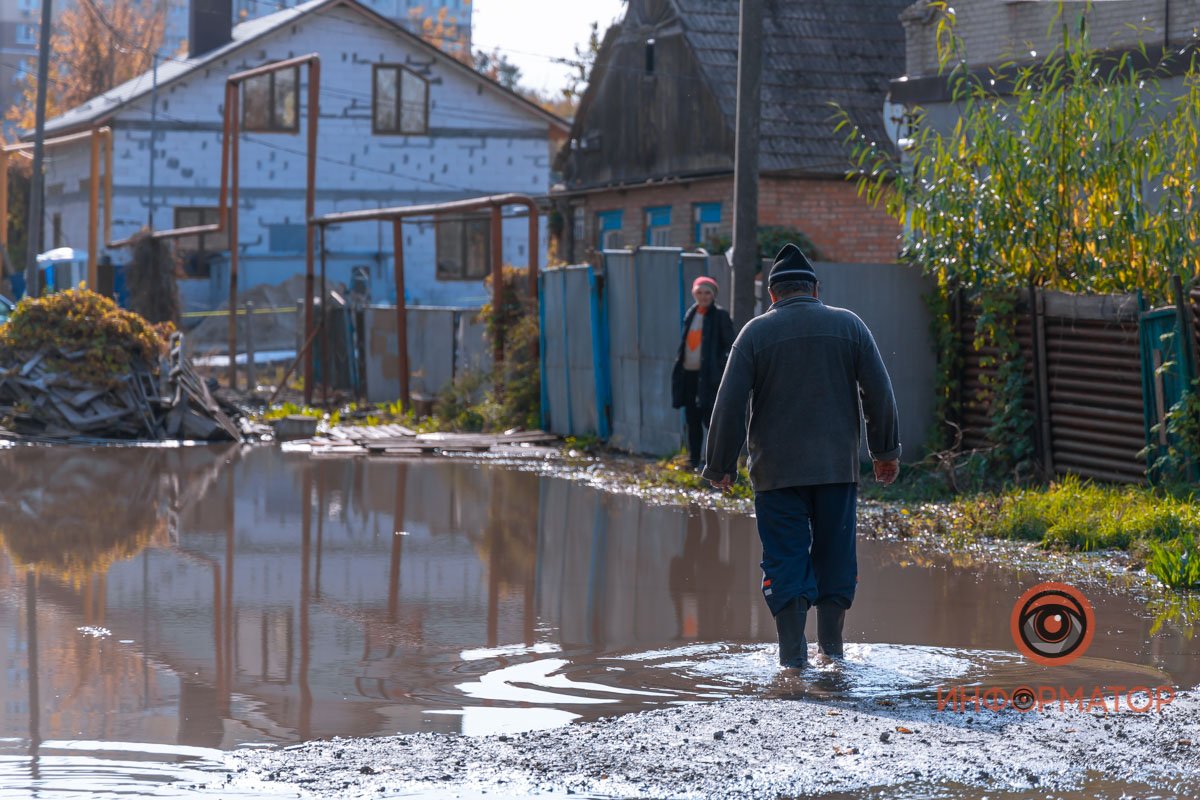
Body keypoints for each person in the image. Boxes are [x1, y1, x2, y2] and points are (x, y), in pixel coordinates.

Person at [703, 244, 900, 669]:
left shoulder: (754, 334)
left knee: (785, 558)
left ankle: (793, 663)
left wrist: (721, 465)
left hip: (776, 474)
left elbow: (730, 402)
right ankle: (833, 654)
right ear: (816, 289)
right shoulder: (850, 326)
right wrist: (884, 452)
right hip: (836, 471)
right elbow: (879, 392)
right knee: (835, 556)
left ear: (771, 294)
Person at [671, 275, 735, 470]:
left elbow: (730, 345)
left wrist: (719, 367)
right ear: (694, 293)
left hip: (709, 378)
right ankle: (694, 459)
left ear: (713, 295)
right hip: (689, 376)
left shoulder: (720, 316)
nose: (703, 296)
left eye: (707, 292)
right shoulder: (691, 314)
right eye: (699, 292)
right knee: (692, 419)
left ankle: (714, 462)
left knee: (710, 419)